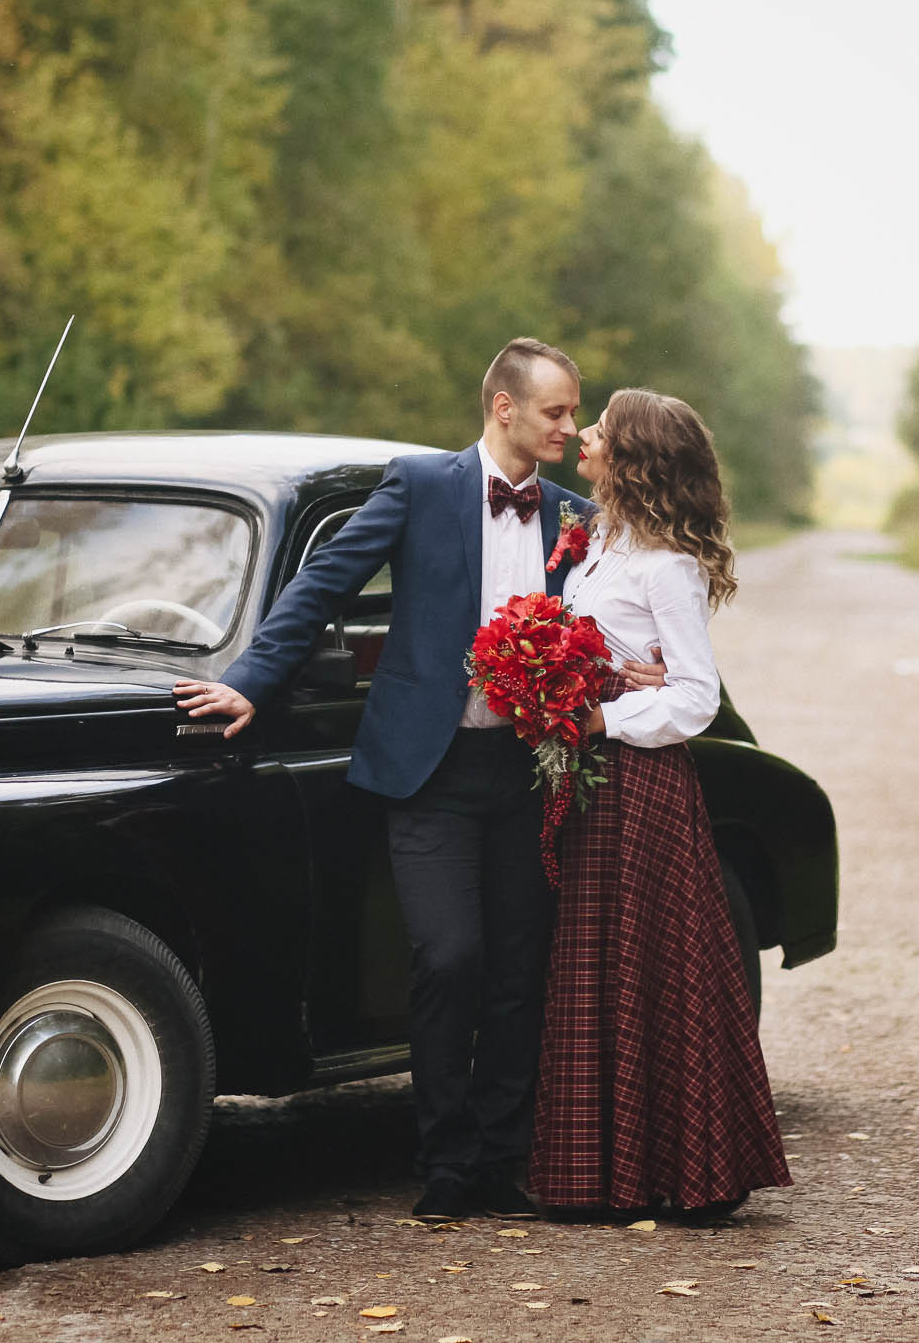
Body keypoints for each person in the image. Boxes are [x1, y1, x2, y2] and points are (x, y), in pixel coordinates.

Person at [173, 338, 657, 1223]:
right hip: (428, 772)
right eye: (555, 410)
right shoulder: (419, 485)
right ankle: (443, 1161)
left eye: (573, 410)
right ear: (503, 407)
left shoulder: (573, 514)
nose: (570, 426)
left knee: (519, 970)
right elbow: (325, 580)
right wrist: (248, 679)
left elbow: (618, 617)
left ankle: (501, 1162)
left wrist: (642, 670)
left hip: (532, 772)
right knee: (449, 956)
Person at [527, 388, 789, 1216]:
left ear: (632, 458)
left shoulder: (666, 566)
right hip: (590, 779)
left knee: (650, 966)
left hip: (640, 783)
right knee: (596, 964)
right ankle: (595, 1171)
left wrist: (606, 711)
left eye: (599, 429)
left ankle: (679, 1174)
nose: (586, 437)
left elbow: (696, 697)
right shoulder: (601, 543)